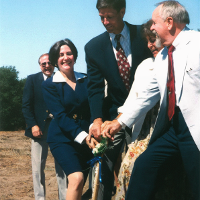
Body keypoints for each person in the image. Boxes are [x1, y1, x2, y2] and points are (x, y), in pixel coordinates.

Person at [101, 1, 200, 199]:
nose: (152, 27)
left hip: (195, 130)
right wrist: (118, 122)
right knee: (144, 165)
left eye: (155, 22)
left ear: (170, 22)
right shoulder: (163, 56)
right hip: (173, 130)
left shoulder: (197, 44)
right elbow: (145, 95)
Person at [85, 0, 152, 199]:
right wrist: (97, 119)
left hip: (146, 113)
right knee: (102, 163)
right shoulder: (93, 47)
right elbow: (95, 87)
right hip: (114, 114)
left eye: (110, 17)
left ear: (122, 12)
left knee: (141, 165)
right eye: (101, 18)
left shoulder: (144, 34)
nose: (105, 22)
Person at [42, 39, 98, 200]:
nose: (65, 57)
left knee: (80, 184)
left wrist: (94, 128)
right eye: (61, 55)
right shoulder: (50, 85)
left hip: (88, 138)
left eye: (69, 53)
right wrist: (83, 136)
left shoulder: (86, 80)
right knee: (77, 178)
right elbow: (60, 115)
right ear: (54, 59)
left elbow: (94, 106)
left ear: (75, 56)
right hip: (62, 138)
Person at [115, 19, 163, 200]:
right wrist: (115, 121)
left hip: (163, 127)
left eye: (154, 39)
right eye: (148, 41)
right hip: (143, 128)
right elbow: (134, 99)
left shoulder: (173, 63)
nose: (150, 45)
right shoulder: (144, 66)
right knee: (128, 166)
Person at [22, 53, 67, 200]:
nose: (47, 66)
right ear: (39, 65)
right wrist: (33, 125)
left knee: (62, 166)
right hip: (38, 129)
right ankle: (40, 198)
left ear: (54, 63)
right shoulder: (32, 80)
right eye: (43, 64)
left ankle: (65, 196)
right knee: (37, 168)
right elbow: (26, 106)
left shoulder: (62, 78)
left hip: (59, 128)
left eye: (49, 63)